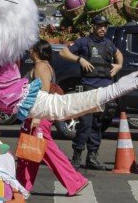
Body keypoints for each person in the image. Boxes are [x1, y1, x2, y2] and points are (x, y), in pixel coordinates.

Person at [16, 40, 89, 196]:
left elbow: (43, 91)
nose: (28, 50)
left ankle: (75, 181)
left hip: (38, 116)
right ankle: (22, 185)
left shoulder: (40, 66)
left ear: (35, 51)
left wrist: (36, 116)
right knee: (30, 152)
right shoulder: (45, 65)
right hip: (38, 115)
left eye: (31, 48)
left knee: (47, 152)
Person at [58, 14, 123, 170]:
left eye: (105, 26)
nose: (102, 29)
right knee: (85, 123)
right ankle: (77, 155)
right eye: (100, 26)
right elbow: (63, 52)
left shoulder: (109, 43)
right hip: (89, 88)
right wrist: (80, 59)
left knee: (98, 124)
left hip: (104, 90)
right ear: (93, 27)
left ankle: (92, 157)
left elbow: (118, 54)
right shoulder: (84, 42)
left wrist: (119, 65)